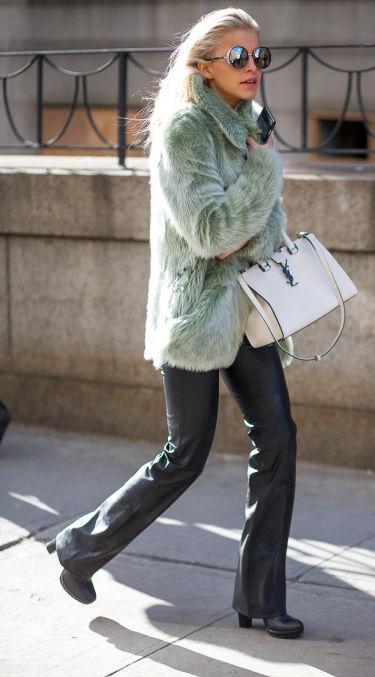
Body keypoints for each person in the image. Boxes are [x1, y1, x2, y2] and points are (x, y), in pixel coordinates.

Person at [46, 7, 303, 640]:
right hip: (195, 316)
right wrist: (264, 172)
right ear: (204, 64)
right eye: (237, 57)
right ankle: (81, 546)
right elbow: (212, 232)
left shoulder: (247, 128)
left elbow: (263, 233)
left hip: (243, 310)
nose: (251, 69)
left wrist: (252, 201)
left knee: (279, 437)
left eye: (258, 56)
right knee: (184, 453)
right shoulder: (187, 130)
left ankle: (261, 597)